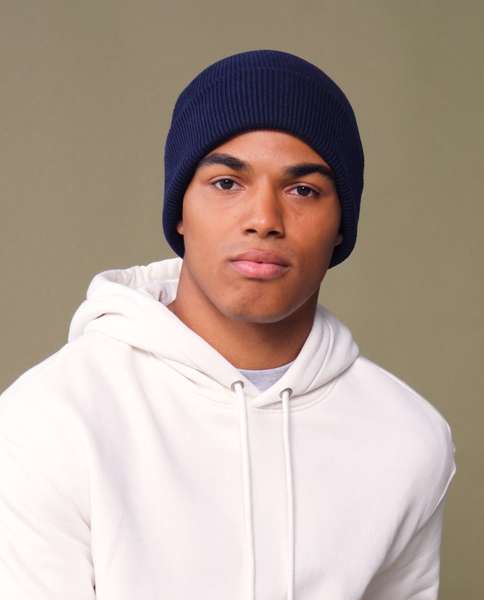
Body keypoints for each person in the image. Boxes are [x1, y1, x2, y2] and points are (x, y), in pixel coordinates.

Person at [0, 49, 456, 600]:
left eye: (303, 190)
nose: (264, 219)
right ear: (179, 210)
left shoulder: (407, 437)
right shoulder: (53, 418)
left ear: (341, 223)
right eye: (226, 183)